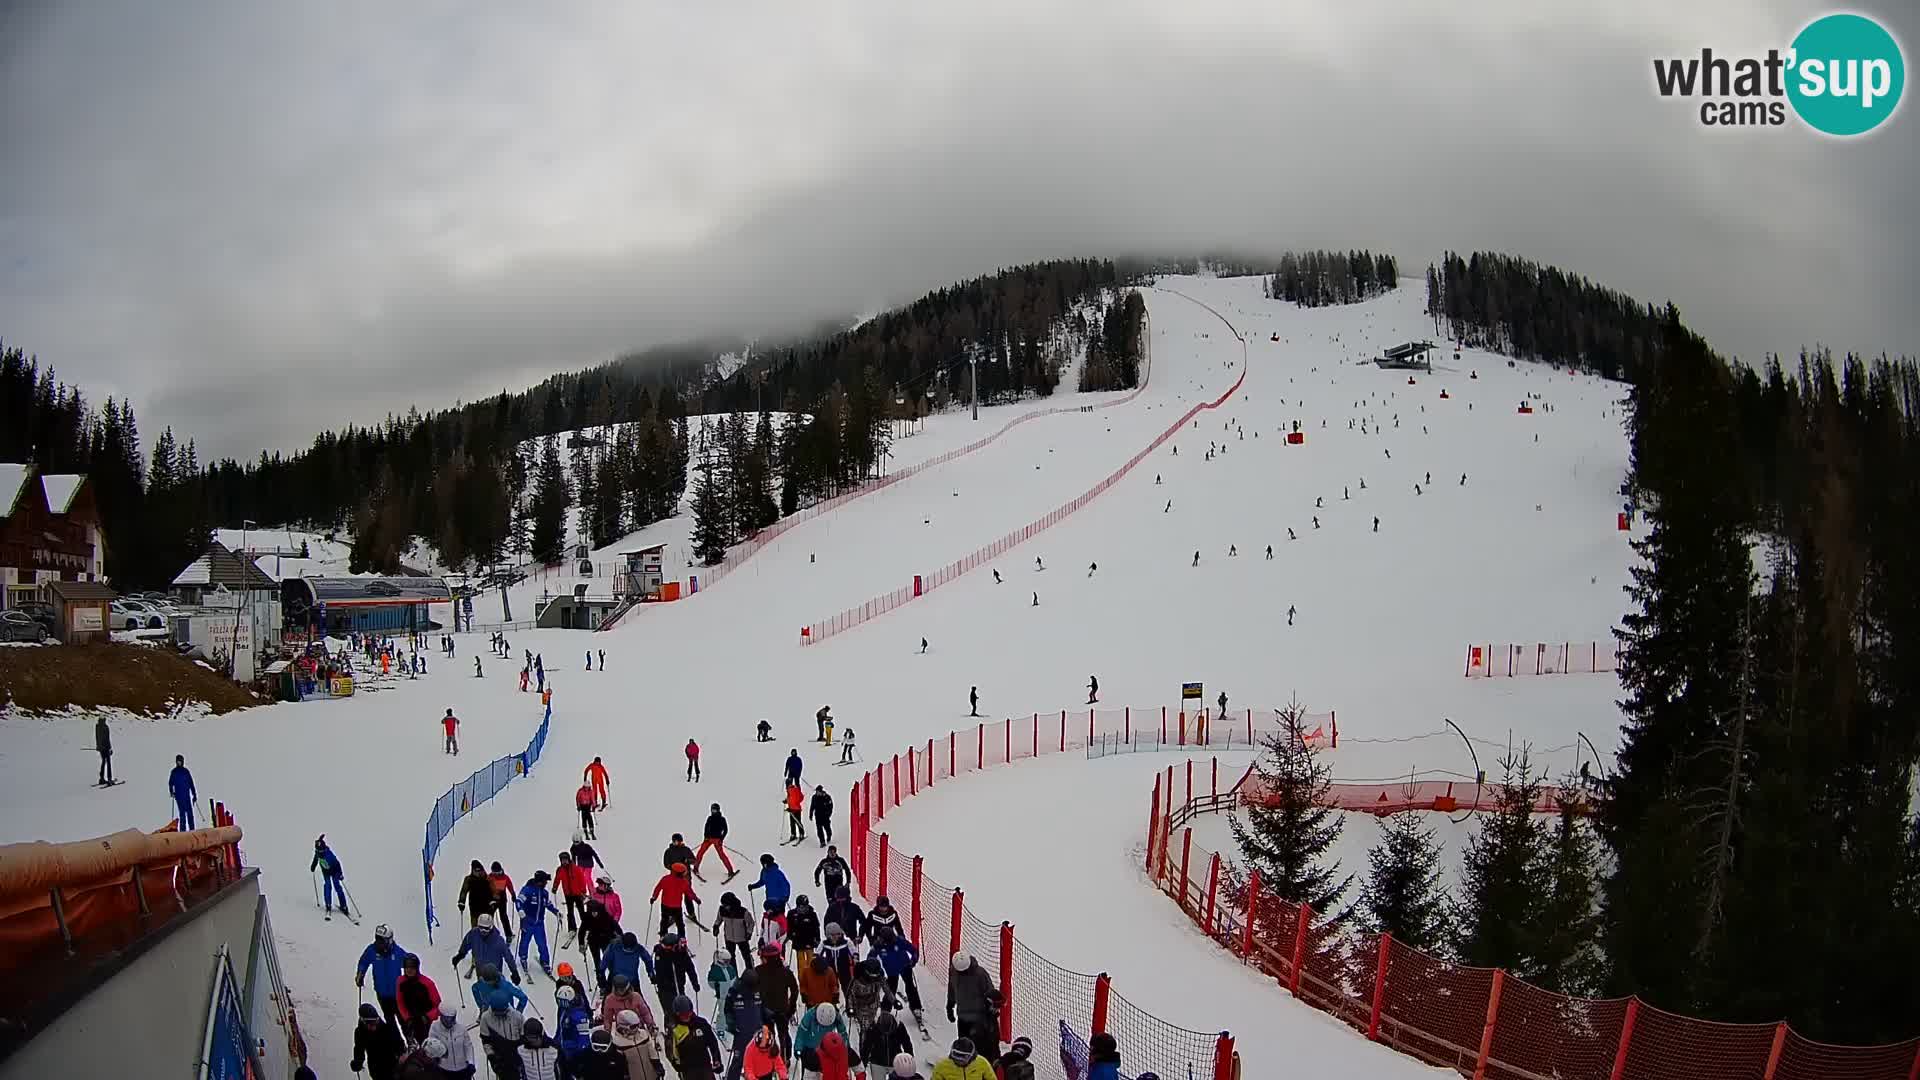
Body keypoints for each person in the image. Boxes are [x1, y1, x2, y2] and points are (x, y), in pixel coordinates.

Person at [945, 954, 1000, 1064]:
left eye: (964, 972)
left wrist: (992, 1008)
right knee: (965, 1046)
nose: (962, 974)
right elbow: (952, 989)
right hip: (963, 1018)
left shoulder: (980, 974)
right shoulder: (954, 973)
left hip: (980, 1019)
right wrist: (949, 1006)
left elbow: (990, 992)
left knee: (984, 1048)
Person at [356, 923, 409, 1027]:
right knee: (389, 1020)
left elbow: (409, 963)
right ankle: (395, 1041)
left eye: (382, 940)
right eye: (377, 939)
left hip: (397, 993)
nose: (379, 943)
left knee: (402, 1018)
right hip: (382, 993)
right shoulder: (372, 950)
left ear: (389, 940)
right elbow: (363, 961)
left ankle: (410, 1040)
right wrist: (360, 974)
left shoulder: (397, 952)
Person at [755, 942, 800, 1060]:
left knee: (771, 1035)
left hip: (768, 1010)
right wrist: (792, 1006)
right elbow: (795, 989)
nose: (761, 959)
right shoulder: (785, 972)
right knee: (783, 1035)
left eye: (763, 957)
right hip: (782, 1009)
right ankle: (785, 1058)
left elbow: (752, 988)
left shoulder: (759, 971)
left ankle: (774, 1058)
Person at [665, 995, 725, 1080]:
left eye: (688, 1013)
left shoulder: (701, 1024)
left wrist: (716, 1060)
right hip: (688, 1070)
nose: (686, 1017)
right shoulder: (674, 1029)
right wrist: (676, 1064)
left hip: (705, 1066)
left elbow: (713, 1043)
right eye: (683, 1015)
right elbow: (670, 1050)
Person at [870, 929, 923, 1024]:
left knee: (910, 985)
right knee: (890, 989)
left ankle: (916, 1007)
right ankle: (886, 1009)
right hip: (891, 971)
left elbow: (913, 950)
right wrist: (878, 970)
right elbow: (871, 958)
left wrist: (913, 960)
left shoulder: (899, 941)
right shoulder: (877, 945)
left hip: (905, 967)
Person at [475, 988, 527, 1080]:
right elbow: (486, 1040)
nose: (500, 1015)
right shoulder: (486, 1018)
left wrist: (523, 1054)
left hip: (516, 1054)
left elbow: (524, 1037)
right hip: (499, 1056)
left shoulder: (517, 1016)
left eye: (503, 1012)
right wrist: (491, 1056)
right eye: (497, 1013)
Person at [517, 871, 561, 975]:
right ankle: (523, 957)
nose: (546, 883)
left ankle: (545, 961)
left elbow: (547, 904)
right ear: (540, 882)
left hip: (539, 924)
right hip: (527, 922)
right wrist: (520, 911)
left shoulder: (544, 893)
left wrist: (556, 912)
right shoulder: (527, 890)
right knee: (525, 942)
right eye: (545, 881)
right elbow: (518, 901)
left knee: (542, 944)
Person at [453, 915, 519, 982]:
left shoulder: (498, 941)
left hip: (495, 974)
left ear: (491, 927)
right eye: (481, 928)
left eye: (486, 928)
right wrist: (460, 955)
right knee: (482, 989)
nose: (483, 931)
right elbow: (466, 944)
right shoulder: (473, 934)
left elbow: (508, 956)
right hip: (480, 972)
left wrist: (514, 971)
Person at [395, 954, 444, 1045]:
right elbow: (400, 1001)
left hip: (428, 1022)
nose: (409, 970)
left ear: (417, 968)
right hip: (413, 1022)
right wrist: (407, 1018)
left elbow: (439, 1006)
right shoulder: (400, 981)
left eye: (412, 968)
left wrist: (427, 1017)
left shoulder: (427, 983)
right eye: (407, 967)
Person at [352, 1001, 407, 1080]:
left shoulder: (386, 1028)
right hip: (376, 1070)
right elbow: (359, 1049)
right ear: (363, 1022)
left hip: (393, 1067)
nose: (374, 1026)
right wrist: (358, 1062)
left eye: (375, 1022)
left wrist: (402, 1053)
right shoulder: (360, 1033)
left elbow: (398, 1042)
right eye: (371, 1024)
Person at [857, 998, 910, 1079]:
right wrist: (862, 1065)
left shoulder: (900, 1027)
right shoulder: (873, 1027)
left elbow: (907, 1044)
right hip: (877, 1062)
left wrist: (909, 1060)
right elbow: (867, 1046)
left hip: (896, 1062)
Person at [794, 1002, 849, 1077]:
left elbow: (843, 1033)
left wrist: (846, 1048)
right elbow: (801, 1032)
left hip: (825, 1048)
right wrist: (798, 1048)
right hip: (809, 1047)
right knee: (808, 1070)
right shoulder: (809, 1015)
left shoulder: (836, 1017)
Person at [653, 932, 699, 1018]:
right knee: (670, 1013)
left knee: (683, 1009)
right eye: (664, 947)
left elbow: (690, 968)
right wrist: (659, 981)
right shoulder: (660, 954)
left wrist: (694, 982)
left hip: (679, 987)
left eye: (668, 947)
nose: (666, 949)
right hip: (665, 990)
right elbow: (659, 972)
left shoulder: (681, 954)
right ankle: (670, 1029)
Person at [611, 1008, 666, 1080]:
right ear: (623, 1027)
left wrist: (657, 1065)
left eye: (638, 1025)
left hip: (651, 1076)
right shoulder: (618, 1043)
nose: (637, 1028)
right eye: (633, 1027)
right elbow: (621, 1064)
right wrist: (625, 1075)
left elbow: (652, 1052)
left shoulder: (643, 1034)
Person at [582, 897, 625, 986]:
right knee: (597, 964)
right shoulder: (587, 917)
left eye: (595, 911)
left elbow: (614, 925)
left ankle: (614, 982)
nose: (594, 913)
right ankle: (602, 984)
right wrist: (581, 944)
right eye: (592, 911)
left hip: (605, 940)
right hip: (593, 941)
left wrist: (622, 937)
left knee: (609, 961)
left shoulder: (605, 915)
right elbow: (582, 930)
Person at [651, 863, 701, 938]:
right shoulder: (684, 882)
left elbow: (658, 888)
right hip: (676, 907)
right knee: (680, 924)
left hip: (665, 905)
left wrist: (654, 898)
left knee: (664, 921)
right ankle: (682, 939)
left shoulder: (665, 879)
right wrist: (696, 899)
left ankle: (663, 936)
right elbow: (690, 893)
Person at [427, 1008, 476, 1079]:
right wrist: (435, 1057)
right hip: (445, 1070)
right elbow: (431, 1044)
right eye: (446, 1020)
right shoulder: (435, 1027)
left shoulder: (461, 1029)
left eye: (451, 1019)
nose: (449, 1023)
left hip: (462, 1069)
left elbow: (468, 1046)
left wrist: (471, 1063)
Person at [554, 984, 596, 1067]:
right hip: (564, 1049)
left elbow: (584, 1037)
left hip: (574, 1052)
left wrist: (579, 1055)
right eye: (559, 1001)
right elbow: (560, 1029)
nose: (560, 1004)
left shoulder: (579, 1015)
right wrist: (555, 1042)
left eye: (563, 1002)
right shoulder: (563, 1010)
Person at [716, 891, 756, 970]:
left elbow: (751, 923)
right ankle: (734, 974)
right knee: (731, 958)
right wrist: (716, 926)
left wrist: (749, 933)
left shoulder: (743, 912)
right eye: (723, 905)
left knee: (746, 957)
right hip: (729, 938)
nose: (725, 907)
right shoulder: (722, 910)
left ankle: (750, 973)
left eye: (726, 905)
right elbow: (719, 919)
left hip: (742, 938)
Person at [557, 851, 593, 935]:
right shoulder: (560, 869)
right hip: (568, 894)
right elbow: (557, 878)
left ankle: (586, 927)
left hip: (577, 894)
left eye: (565, 860)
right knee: (570, 912)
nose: (564, 862)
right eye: (562, 860)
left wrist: (583, 891)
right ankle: (572, 928)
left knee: (581, 911)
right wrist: (555, 887)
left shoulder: (575, 868)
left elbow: (582, 879)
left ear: (569, 859)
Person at [708, 949, 740, 1040]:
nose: (728, 963)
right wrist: (716, 986)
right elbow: (710, 982)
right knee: (722, 1012)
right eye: (726, 961)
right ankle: (720, 1029)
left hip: (732, 995)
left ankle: (731, 1025)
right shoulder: (715, 969)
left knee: (732, 1011)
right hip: (722, 996)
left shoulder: (730, 968)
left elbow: (735, 979)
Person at [313, 835, 348, 917]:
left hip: (335, 871)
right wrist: (313, 866)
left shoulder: (329, 854)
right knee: (327, 886)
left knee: (337, 887)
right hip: (326, 872)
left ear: (324, 849)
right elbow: (316, 859)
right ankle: (328, 904)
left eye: (321, 851)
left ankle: (344, 906)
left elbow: (337, 863)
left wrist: (340, 874)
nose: (319, 852)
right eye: (318, 850)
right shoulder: (318, 853)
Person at [698, 803, 736, 877]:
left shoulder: (722, 819)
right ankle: (695, 868)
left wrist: (721, 839)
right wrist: (705, 837)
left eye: (715, 810)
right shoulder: (709, 818)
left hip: (717, 840)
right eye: (712, 810)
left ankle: (730, 871)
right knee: (700, 853)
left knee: (722, 856)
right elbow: (706, 828)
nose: (713, 811)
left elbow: (725, 830)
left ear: (718, 810)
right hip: (708, 839)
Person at [928, 1037, 993, 1080]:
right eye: (956, 1057)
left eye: (964, 1058)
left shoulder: (981, 1063)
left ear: (971, 1056)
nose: (959, 1061)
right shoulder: (942, 1066)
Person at [798, 950, 840, 1015]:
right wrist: (804, 994)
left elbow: (833, 985)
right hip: (816, 1003)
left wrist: (835, 995)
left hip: (822, 1003)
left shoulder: (829, 971)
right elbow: (803, 985)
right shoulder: (807, 971)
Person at [787, 895, 822, 966]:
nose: (802, 909)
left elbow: (816, 927)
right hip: (798, 942)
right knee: (801, 964)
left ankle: (812, 976)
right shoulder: (792, 914)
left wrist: (817, 939)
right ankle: (802, 977)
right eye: (800, 907)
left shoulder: (812, 914)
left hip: (810, 941)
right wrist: (790, 935)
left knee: (811, 962)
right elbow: (788, 926)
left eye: (805, 906)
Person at [458, 860, 493, 928]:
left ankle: (490, 937)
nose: (478, 872)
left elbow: (491, 891)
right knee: (475, 926)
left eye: (479, 870)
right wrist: (461, 902)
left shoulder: (486, 878)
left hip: (486, 906)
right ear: (472, 870)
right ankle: (475, 937)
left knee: (487, 925)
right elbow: (464, 891)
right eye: (475, 870)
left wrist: (492, 901)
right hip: (474, 906)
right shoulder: (469, 879)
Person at [488, 862, 517, 941]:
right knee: (489, 917)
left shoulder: (505, 877)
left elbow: (510, 886)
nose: (496, 874)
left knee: (503, 917)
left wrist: (513, 894)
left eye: (498, 872)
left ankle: (509, 935)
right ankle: (489, 934)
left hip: (502, 900)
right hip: (492, 900)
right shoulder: (490, 877)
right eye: (494, 872)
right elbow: (486, 888)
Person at [168, 754, 197, 830]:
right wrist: (172, 792)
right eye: (177, 761)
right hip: (179, 796)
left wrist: (194, 795)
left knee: (190, 813)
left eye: (180, 761)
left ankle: (192, 830)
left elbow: (191, 783)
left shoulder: (185, 772)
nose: (179, 763)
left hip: (187, 796)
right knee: (182, 814)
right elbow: (171, 783)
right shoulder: (174, 772)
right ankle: (183, 831)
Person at [94, 716, 113, 784]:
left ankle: (101, 778)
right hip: (106, 747)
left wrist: (98, 746)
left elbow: (97, 737)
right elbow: (107, 738)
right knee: (108, 763)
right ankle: (109, 779)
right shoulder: (105, 727)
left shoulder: (97, 727)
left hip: (101, 748)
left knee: (103, 762)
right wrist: (109, 748)